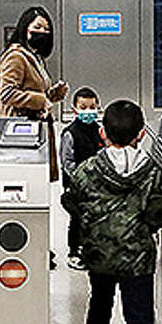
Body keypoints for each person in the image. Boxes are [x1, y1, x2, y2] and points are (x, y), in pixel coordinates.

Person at [62, 99, 162, 324]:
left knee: (99, 310)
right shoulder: (153, 173)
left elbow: (72, 203)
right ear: (142, 134)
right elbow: (159, 213)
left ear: (103, 132)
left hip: (100, 256)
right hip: (138, 261)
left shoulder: (87, 170)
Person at [0, 6, 69, 177]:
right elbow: (6, 94)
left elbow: (32, 91)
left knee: (36, 178)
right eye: (37, 27)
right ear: (25, 28)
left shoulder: (35, 57)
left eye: (46, 29)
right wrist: (41, 100)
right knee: (25, 176)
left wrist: (52, 94)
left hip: (36, 123)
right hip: (20, 126)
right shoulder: (16, 56)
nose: (42, 32)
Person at [61, 86, 104, 270]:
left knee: (96, 218)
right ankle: (74, 252)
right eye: (83, 107)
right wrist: (81, 178)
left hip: (98, 185)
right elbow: (67, 161)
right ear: (74, 110)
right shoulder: (70, 133)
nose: (88, 111)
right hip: (76, 186)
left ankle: (92, 250)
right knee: (77, 218)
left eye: (92, 107)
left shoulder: (100, 131)